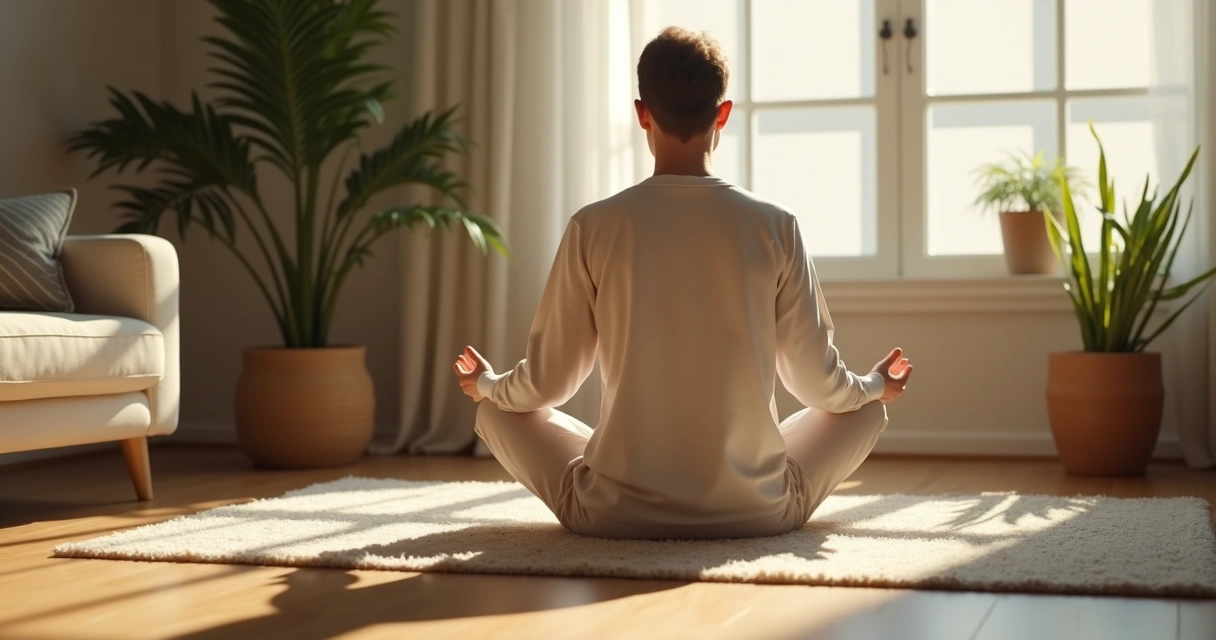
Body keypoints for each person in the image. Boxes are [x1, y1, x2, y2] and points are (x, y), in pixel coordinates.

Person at [452, 26, 912, 540]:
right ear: (724, 114)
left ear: (642, 112)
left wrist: (487, 385)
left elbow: (549, 383)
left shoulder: (594, 224)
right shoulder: (775, 224)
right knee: (864, 412)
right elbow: (816, 384)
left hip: (612, 514)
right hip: (757, 511)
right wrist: (875, 386)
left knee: (496, 411)